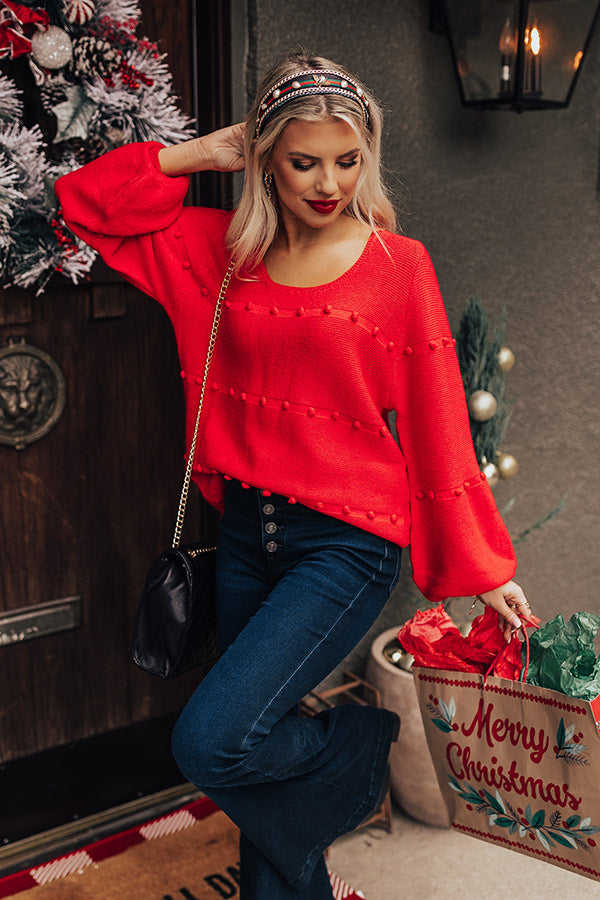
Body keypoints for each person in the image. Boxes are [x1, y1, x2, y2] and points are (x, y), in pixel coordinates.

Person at [56, 52, 533, 900]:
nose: (327, 182)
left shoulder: (398, 266)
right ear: (266, 158)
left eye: (347, 161)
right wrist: (198, 155)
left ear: (369, 157)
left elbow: (436, 422)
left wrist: (487, 570)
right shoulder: (221, 253)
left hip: (344, 543)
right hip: (244, 530)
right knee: (256, 763)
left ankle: (356, 742)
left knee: (211, 742)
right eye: (303, 160)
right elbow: (86, 206)